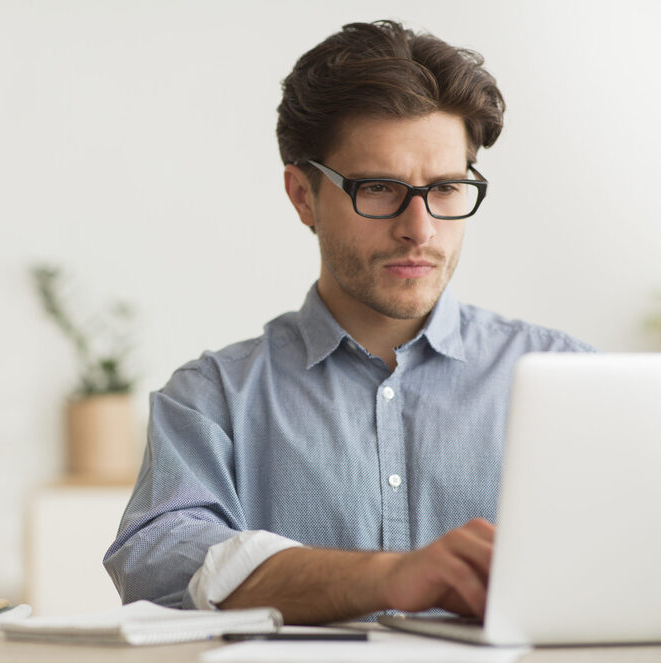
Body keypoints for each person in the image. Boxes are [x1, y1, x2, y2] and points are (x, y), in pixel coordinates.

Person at [102, 19, 593, 625]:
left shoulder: (568, 379)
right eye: (380, 189)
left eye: (445, 188)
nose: (420, 228)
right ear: (303, 195)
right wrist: (388, 577)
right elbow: (159, 560)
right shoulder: (210, 399)